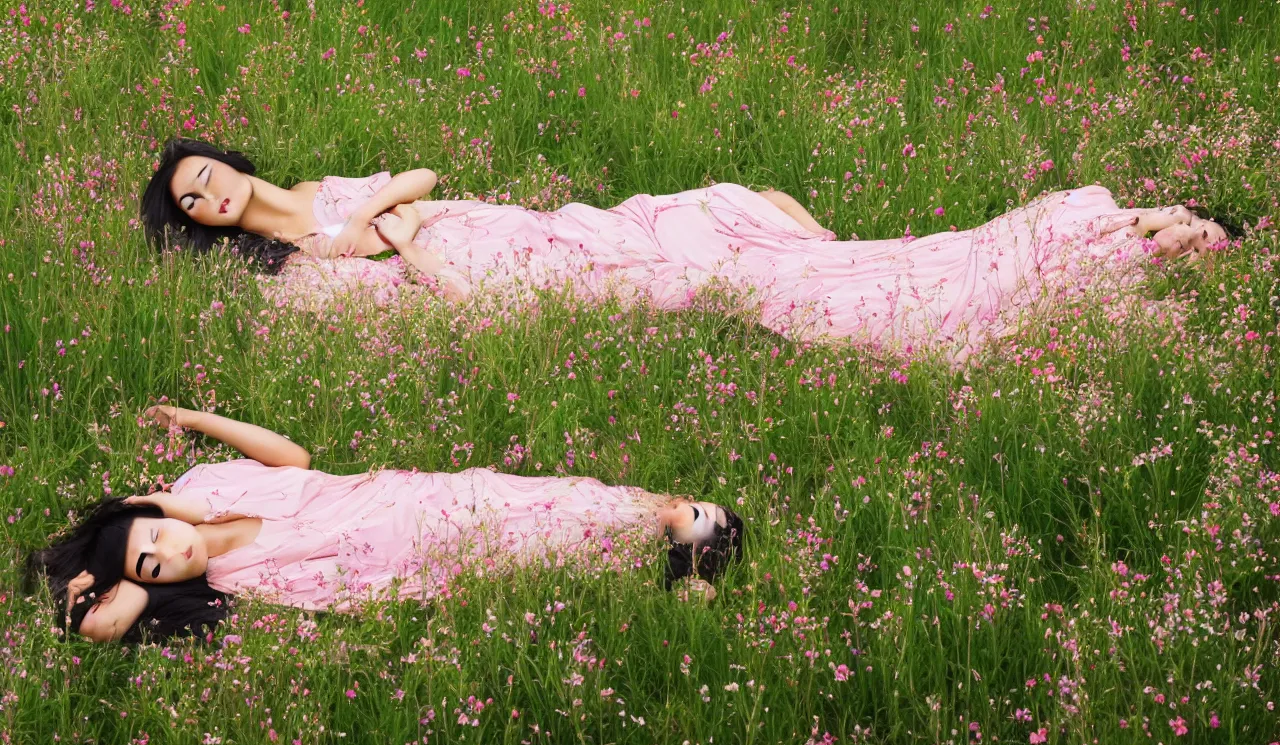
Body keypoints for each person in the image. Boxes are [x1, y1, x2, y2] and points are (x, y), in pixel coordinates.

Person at [140, 138, 1230, 363]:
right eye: (196, 204)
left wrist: (376, 215)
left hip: (498, 225)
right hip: (478, 269)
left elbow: (416, 182)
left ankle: (1115, 242)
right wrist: (383, 237)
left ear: (226, 163)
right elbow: (403, 269)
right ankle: (1086, 252)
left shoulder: (323, 192)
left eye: (207, 175)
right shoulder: (285, 280)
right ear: (202, 227)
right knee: (719, 268)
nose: (214, 194)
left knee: (714, 208)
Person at [28, 406, 744, 643]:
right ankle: (679, 570)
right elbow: (111, 617)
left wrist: (195, 420)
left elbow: (293, 455)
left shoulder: (207, 488)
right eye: (153, 568)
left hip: (424, 497)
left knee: (559, 500)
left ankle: (682, 526)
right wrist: (91, 593)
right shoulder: (222, 589)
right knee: (546, 553)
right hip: (418, 558)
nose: (167, 554)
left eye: (154, 539)